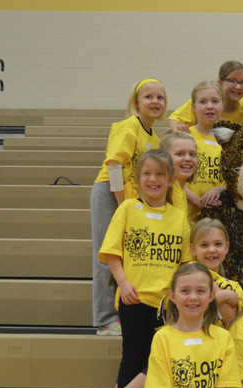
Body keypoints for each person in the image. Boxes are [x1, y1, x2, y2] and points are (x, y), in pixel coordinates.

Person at [99, 150, 191, 388]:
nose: (153, 179)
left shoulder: (179, 217)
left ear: (171, 180)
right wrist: (123, 283)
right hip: (133, 299)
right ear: (138, 179)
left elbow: (185, 265)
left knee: (154, 363)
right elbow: (112, 253)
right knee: (131, 359)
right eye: (147, 173)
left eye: (160, 174)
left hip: (165, 304)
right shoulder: (128, 208)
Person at [91, 78, 167, 335]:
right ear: (136, 102)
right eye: (149, 97)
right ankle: (105, 320)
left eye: (160, 97)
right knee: (106, 254)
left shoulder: (154, 136)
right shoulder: (129, 125)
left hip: (129, 198)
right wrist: (122, 203)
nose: (155, 101)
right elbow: (114, 165)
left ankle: (123, 314)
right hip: (110, 192)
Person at [189, 218, 243, 326]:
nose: (212, 250)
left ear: (226, 247)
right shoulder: (185, 276)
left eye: (218, 244)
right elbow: (189, 306)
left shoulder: (235, 287)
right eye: (204, 245)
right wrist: (225, 295)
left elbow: (231, 320)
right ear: (193, 249)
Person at [168, 61, 243, 131]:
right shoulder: (202, 103)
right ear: (220, 83)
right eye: (232, 81)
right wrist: (179, 131)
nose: (238, 87)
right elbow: (174, 119)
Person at [185, 81, 225, 223]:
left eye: (215, 101)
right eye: (203, 102)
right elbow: (173, 177)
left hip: (219, 215)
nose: (209, 107)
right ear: (193, 107)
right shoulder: (184, 136)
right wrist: (196, 200)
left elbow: (235, 178)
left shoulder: (228, 140)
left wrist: (219, 189)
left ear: (223, 105)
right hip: (187, 214)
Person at [159, 130, 198, 214]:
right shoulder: (161, 195)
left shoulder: (180, 191)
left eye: (192, 154)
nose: (188, 159)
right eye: (180, 154)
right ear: (163, 158)